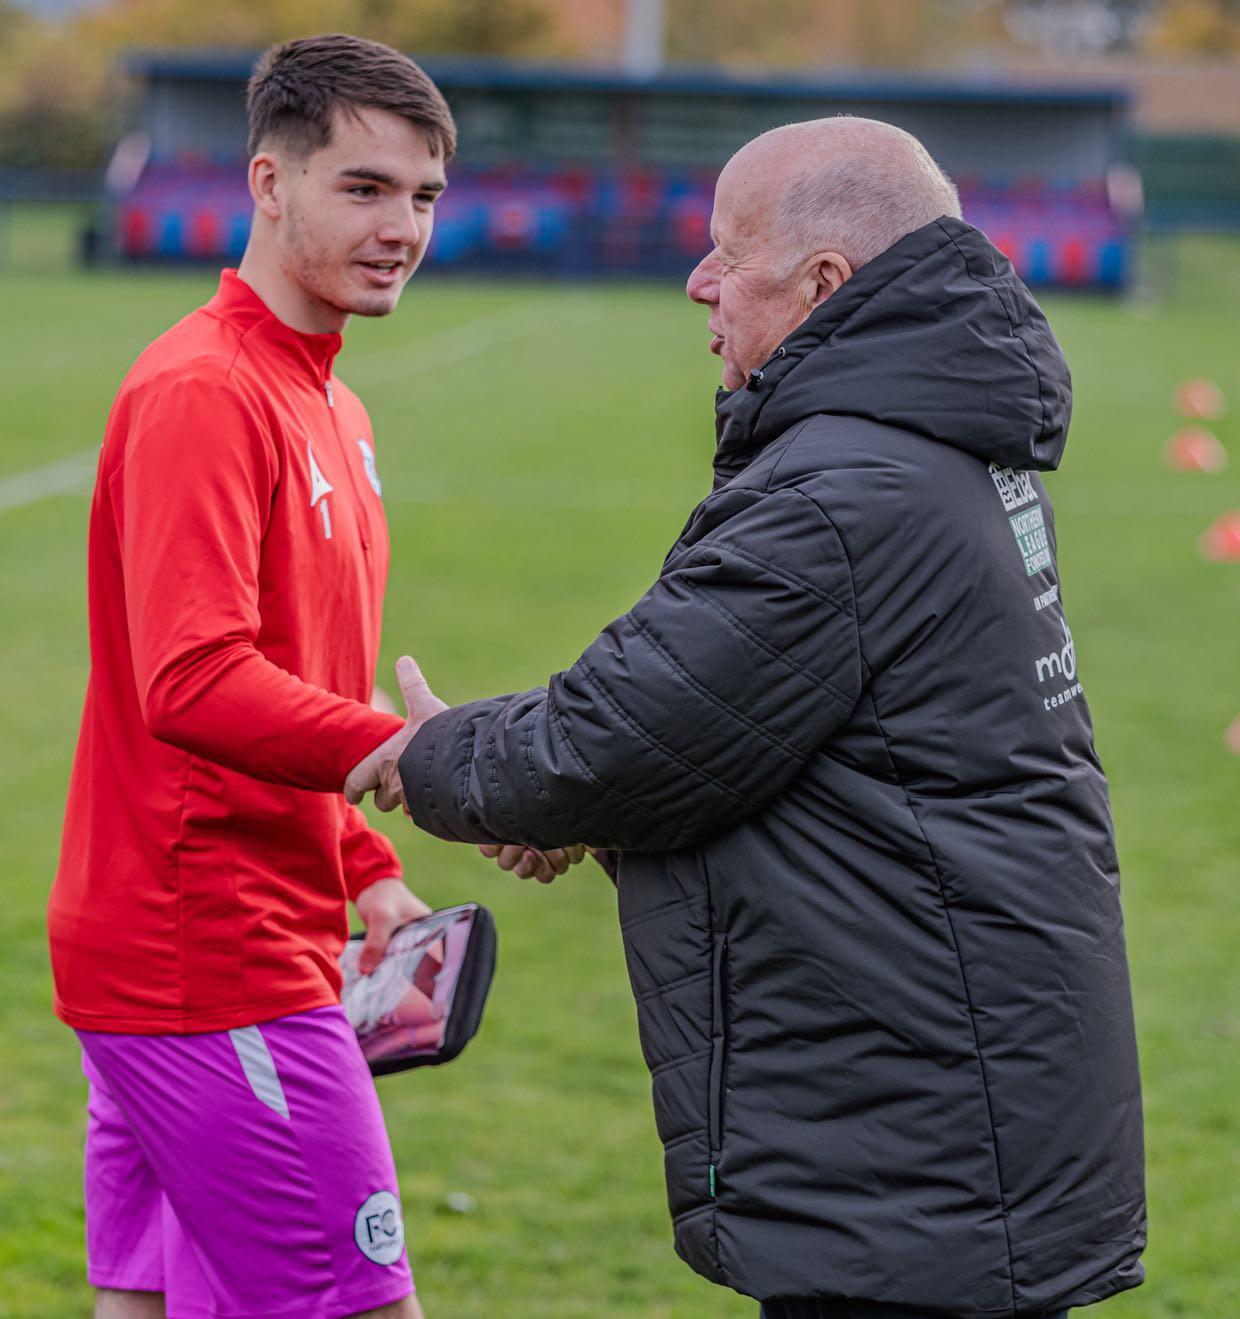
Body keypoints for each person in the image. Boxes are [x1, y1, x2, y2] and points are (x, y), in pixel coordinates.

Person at [348, 118, 1146, 1317]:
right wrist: (597, 803)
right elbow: (764, 735)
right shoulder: (917, 445)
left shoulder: (847, 489)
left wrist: (436, 755)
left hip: (915, 1126)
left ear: (826, 284)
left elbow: (611, 738)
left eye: (729, 252)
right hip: (944, 1097)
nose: (698, 281)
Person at [47, 33, 577, 1319]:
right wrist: (406, 753)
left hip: (229, 937)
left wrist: (368, 872)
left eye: (424, 196)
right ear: (268, 184)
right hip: (207, 957)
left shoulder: (332, 404)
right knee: (358, 1308)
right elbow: (195, 680)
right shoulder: (201, 392)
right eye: (364, 187)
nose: (402, 226)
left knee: (154, 1305)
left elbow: (294, 679)